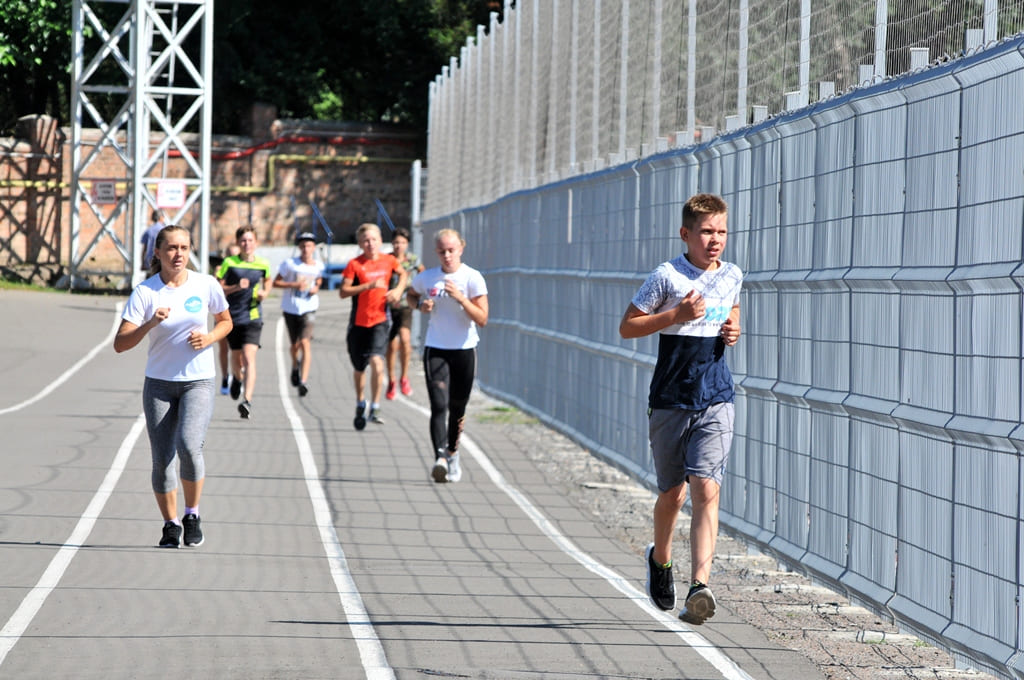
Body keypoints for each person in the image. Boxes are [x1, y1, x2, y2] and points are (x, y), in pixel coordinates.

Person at [618, 193, 742, 625]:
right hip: (671, 399)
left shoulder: (732, 275)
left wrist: (733, 328)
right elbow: (627, 326)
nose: (716, 240)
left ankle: (700, 586)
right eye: (707, 231)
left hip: (716, 395)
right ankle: (661, 559)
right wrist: (674, 315)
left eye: (722, 231)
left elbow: (733, 308)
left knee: (707, 488)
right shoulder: (666, 276)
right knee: (674, 493)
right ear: (686, 233)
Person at [114, 225, 233, 548]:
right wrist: (151, 323)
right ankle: (170, 524)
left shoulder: (205, 284)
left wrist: (208, 337)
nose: (178, 254)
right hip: (160, 384)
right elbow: (120, 344)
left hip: (198, 381)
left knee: (189, 445)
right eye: (171, 248)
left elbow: (226, 322)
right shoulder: (146, 292)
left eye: (183, 247)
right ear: (158, 252)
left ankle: (192, 514)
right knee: (162, 457)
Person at [407, 228, 488, 483]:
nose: (447, 255)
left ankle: (453, 453)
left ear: (461, 248)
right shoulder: (428, 278)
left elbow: (483, 318)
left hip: (464, 350)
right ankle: (440, 458)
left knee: (457, 408)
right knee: (439, 405)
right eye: (442, 251)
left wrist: (461, 299)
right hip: (436, 348)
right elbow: (411, 295)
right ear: (436, 252)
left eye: (451, 250)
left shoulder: (472, 278)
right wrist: (420, 305)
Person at [339, 223, 407, 429]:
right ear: (360, 244)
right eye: (366, 240)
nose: (370, 244)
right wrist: (368, 286)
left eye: (374, 239)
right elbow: (343, 292)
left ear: (380, 241)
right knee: (359, 368)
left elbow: (403, 275)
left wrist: (397, 291)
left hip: (380, 320)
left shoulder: (389, 261)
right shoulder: (354, 264)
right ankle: (361, 401)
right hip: (358, 323)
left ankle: (375, 405)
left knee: (378, 362)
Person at [216, 225, 272, 419]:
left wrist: (265, 292)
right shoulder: (229, 263)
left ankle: (246, 400)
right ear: (238, 243)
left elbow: (268, 280)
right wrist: (235, 287)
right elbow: (218, 288)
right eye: (243, 241)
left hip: (253, 317)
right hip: (233, 317)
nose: (247, 244)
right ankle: (236, 380)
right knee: (236, 356)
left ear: (256, 243)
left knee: (249, 358)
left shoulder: (263, 264)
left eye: (250, 240)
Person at [274, 232, 324, 397]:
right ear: (299, 247)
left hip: (309, 308)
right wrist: (293, 284)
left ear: (314, 248)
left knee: (305, 342)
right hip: (291, 308)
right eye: (303, 245)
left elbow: (319, 279)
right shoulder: (289, 264)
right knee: (294, 345)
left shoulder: (318, 265)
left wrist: (316, 287)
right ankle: (295, 365)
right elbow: (276, 282)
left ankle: (303, 381)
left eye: (309, 245)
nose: (306, 249)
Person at [385, 227, 425, 400]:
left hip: (405, 305)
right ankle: (392, 380)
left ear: (407, 244)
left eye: (402, 242)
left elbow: (423, 272)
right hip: (387, 307)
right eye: (395, 242)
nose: (398, 246)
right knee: (392, 344)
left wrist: (418, 288)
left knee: (405, 339)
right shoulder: (387, 259)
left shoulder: (412, 260)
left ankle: (404, 377)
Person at [217, 243, 241, 395]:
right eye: (229, 254)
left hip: (240, 313)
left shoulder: (243, 268)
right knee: (224, 348)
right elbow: (218, 290)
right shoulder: (221, 270)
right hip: (223, 313)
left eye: (235, 254)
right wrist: (236, 287)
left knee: (238, 350)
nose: (232, 257)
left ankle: (238, 376)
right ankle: (225, 376)